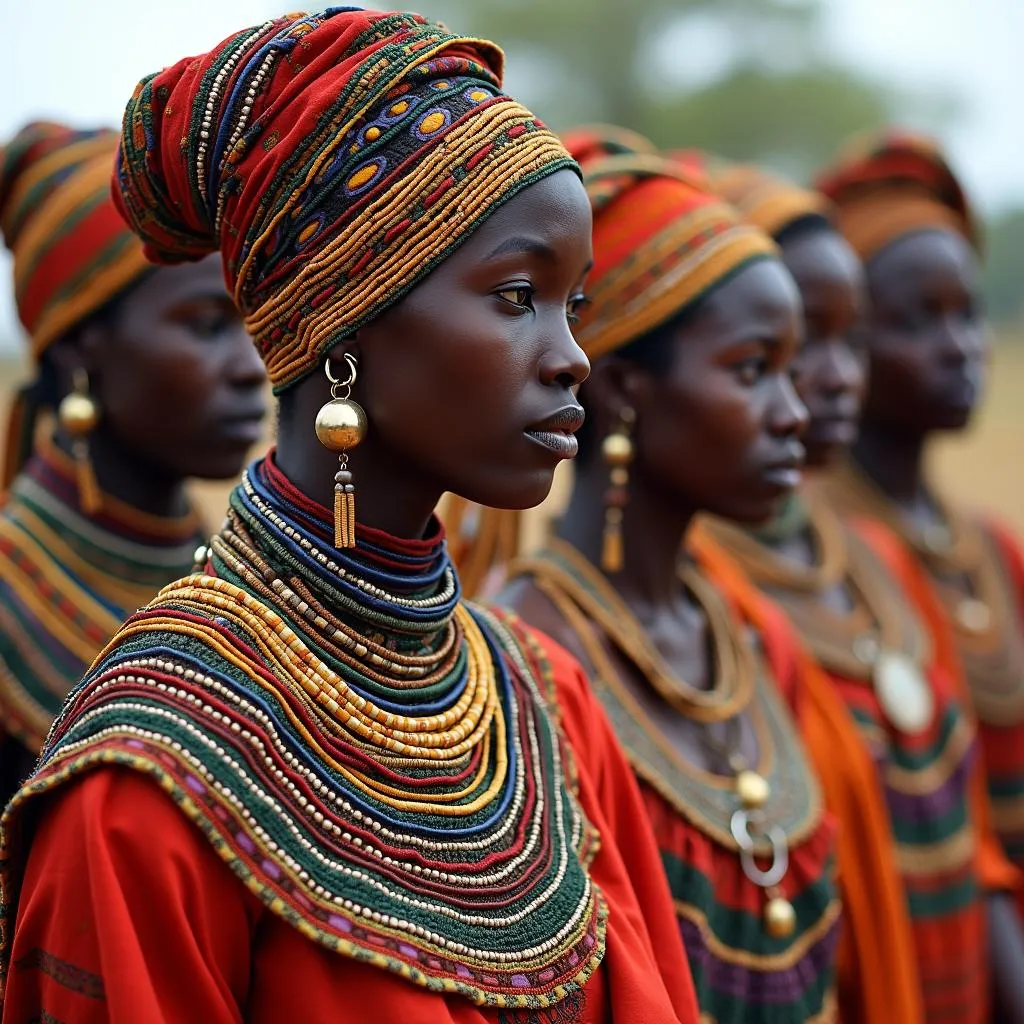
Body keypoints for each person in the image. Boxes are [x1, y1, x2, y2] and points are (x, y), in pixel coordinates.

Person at [0, 12, 700, 1024]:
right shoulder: (149, 788)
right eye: (515, 296)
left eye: (572, 305)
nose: (569, 356)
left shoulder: (546, 704)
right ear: (343, 324)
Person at [498, 130, 916, 1024]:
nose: (795, 412)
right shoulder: (529, 670)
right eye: (752, 371)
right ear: (622, 392)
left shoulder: (755, 640)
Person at [690, 154, 1022, 1022]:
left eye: (850, 336)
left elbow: (978, 846)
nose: (834, 375)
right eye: (790, 346)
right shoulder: (711, 609)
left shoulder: (882, 562)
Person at [811, 129, 1024, 1019]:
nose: (959, 344)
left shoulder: (995, 550)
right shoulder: (826, 570)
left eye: (967, 312)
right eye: (915, 320)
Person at [0, 121, 267, 804]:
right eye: (208, 326)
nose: (251, 366)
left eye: (252, 319)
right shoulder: (12, 603)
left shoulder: (237, 574)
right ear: (80, 347)